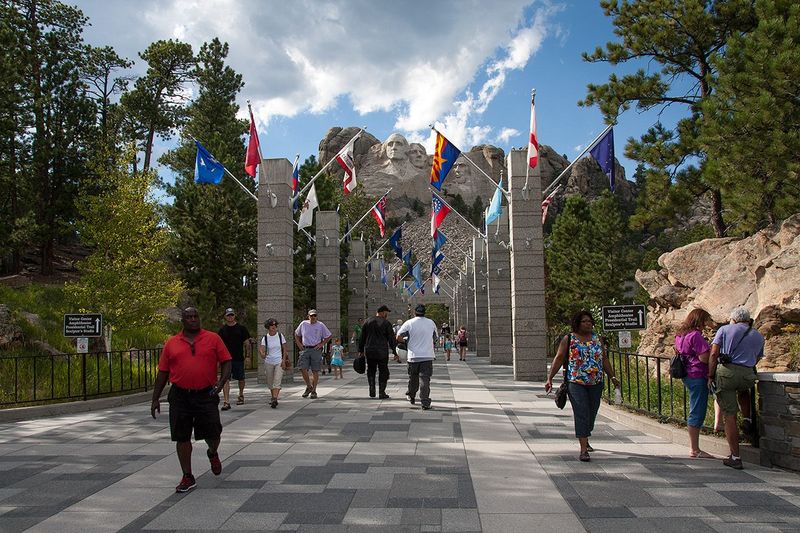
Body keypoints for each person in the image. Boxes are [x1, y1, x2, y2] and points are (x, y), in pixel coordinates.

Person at [150, 307, 231, 493]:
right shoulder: (171, 343)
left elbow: (226, 361)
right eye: (189, 317)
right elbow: (163, 372)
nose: (193, 319)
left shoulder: (213, 338)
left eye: (196, 316)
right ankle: (187, 475)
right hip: (180, 396)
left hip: (206, 394)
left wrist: (220, 382)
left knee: (213, 432)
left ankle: (212, 452)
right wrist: (155, 399)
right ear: (183, 321)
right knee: (182, 436)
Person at [544, 311, 620, 462]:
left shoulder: (597, 338)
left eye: (590, 321)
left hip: (596, 382)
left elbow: (604, 358)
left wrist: (612, 376)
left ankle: (586, 434)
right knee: (581, 412)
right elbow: (559, 358)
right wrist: (550, 378)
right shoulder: (569, 338)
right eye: (584, 321)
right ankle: (584, 449)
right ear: (577, 323)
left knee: (592, 413)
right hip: (576, 382)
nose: (588, 324)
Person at [708, 307, 764, 470]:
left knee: (729, 415)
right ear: (748, 320)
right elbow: (758, 356)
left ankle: (735, 456)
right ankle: (747, 419)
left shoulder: (724, 330)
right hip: (748, 374)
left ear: (733, 319)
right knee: (743, 391)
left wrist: (710, 375)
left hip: (727, 373)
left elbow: (713, 353)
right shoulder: (758, 335)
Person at [674, 308, 714, 458]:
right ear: (701, 320)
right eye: (707, 320)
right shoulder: (695, 336)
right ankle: (695, 448)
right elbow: (704, 357)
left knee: (695, 406)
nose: (708, 323)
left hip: (687, 375)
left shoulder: (680, 335)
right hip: (697, 374)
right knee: (697, 409)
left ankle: (695, 447)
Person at [396, 304, 438, 410]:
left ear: (415, 312)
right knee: (425, 379)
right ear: (425, 312)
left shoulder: (409, 323)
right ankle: (425, 402)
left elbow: (398, 337)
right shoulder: (431, 323)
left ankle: (411, 395)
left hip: (413, 356)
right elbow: (435, 338)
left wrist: (406, 341)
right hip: (427, 356)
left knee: (413, 378)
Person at [217, 308, 253, 410]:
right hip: (226, 359)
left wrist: (248, 357)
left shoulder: (241, 328)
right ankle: (226, 401)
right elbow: (218, 346)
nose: (230, 317)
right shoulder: (222, 330)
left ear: (234, 316)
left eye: (232, 315)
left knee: (241, 378)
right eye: (228, 315)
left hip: (238, 358)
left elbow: (247, 343)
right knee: (225, 379)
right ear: (225, 316)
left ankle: (241, 394)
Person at [359, 305, 397, 399]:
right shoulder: (386, 323)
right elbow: (391, 339)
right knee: (383, 371)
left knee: (371, 370)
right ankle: (381, 392)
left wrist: (360, 350)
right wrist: (395, 352)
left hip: (370, 350)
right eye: (386, 313)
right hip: (382, 351)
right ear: (382, 312)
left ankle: (372, 389)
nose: (386, 315)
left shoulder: (367, 322)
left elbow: (362, 337)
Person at [294, 309, 332, 399]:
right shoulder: (303, 324)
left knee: (315, 370)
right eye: (311, 316)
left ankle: (314, 390)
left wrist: (322, 344)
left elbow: (329, 335)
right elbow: (296, 334)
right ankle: (309, 386)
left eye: (314, 315)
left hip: (316, 349)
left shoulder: (320, 325)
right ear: (308, 316)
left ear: (317, 316)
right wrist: (299, 344)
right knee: (302, 368)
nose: (313, 317)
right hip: (305, 349)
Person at [259, 318, 290, 408]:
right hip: (269, 361)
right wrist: (262, 353)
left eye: (275, 325)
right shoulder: (265, 338)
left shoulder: (280, 336)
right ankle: (273, 397)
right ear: (268, 327)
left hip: (278, 361)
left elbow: (285, 349)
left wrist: (283, 361)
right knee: (270, 381)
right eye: (272, 325)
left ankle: (275, 399)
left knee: (277, 380)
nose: (274, 327)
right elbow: (262, 350)